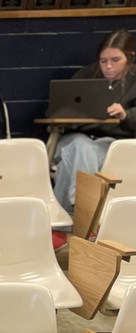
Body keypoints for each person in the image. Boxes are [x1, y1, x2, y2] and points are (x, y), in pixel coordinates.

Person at [52, 29, 136, 219]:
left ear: (130, 57)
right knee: (81, 146)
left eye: (115, 60)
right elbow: (57, 109)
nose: (108, 66)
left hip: (113, 142)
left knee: (68, 165)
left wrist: (126, 115)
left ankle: (63, 220)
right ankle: (86, 205)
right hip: (75, 138)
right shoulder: (87, 75)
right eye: (103, 61)